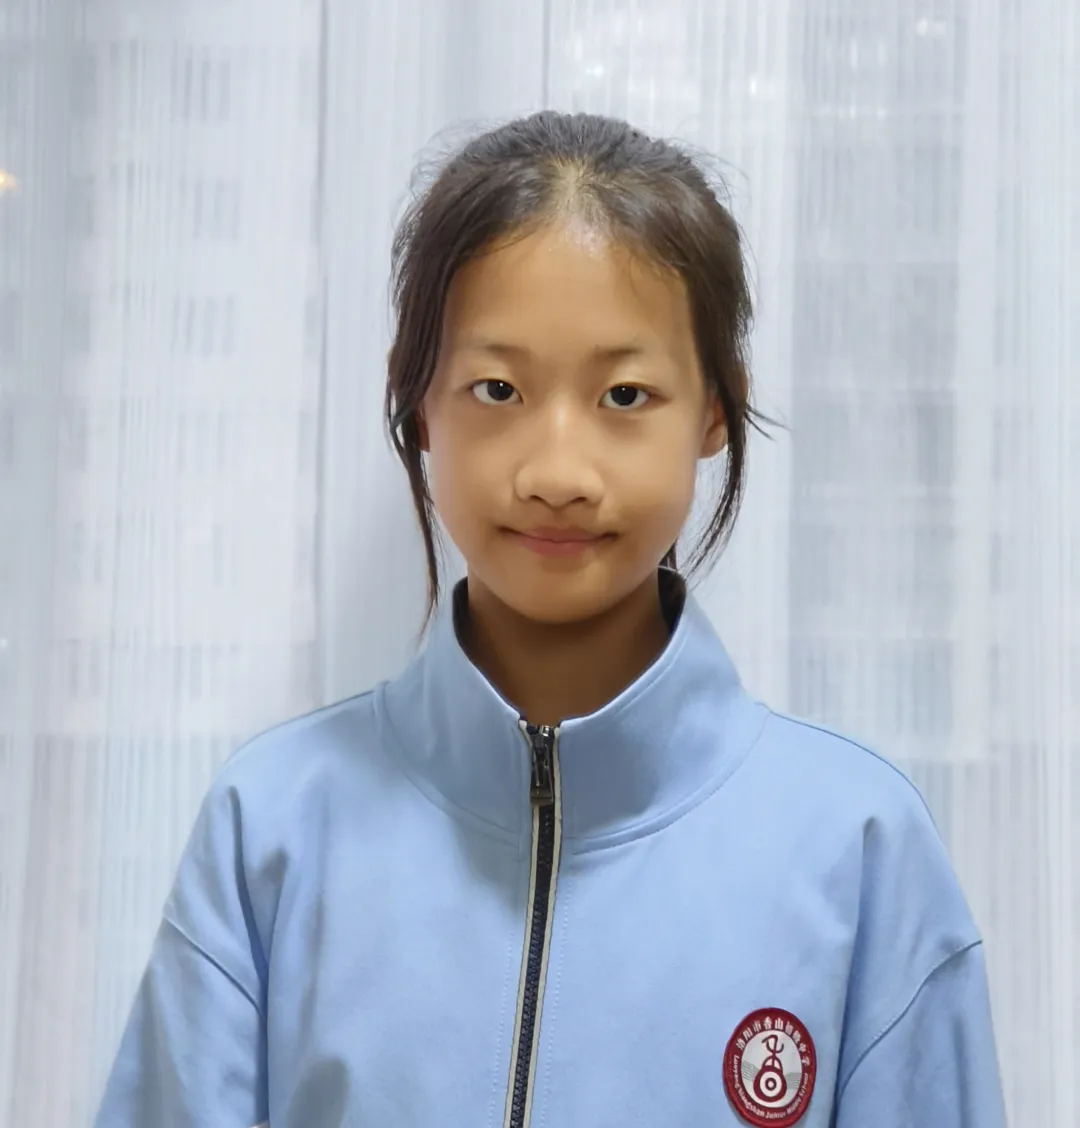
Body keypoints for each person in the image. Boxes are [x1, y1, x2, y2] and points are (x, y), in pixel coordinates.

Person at [94, 111, 1006, 1128]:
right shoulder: (269, 826)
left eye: (625, 395)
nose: (558, 473)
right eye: (497, 388)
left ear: (715, 408)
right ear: (418, 402)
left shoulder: (861, 848)